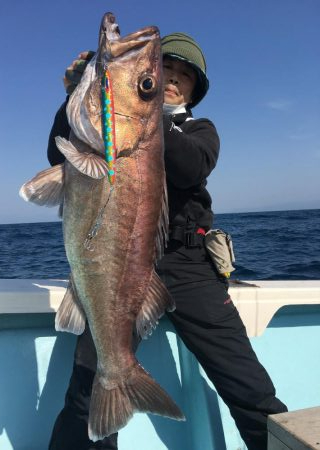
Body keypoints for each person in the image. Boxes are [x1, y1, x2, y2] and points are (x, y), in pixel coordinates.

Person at [47, 32, 287, 450]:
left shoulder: (200, 129)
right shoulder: (107, 123)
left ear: (195, 89)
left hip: (188, 264)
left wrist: (142, 104)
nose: (173, 78)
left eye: (183, 75)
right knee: (87, 387)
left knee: (247, 385)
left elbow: (189, 168)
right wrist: (79, 93)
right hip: (118, 261)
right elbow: (58, 154)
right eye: (166, 70)